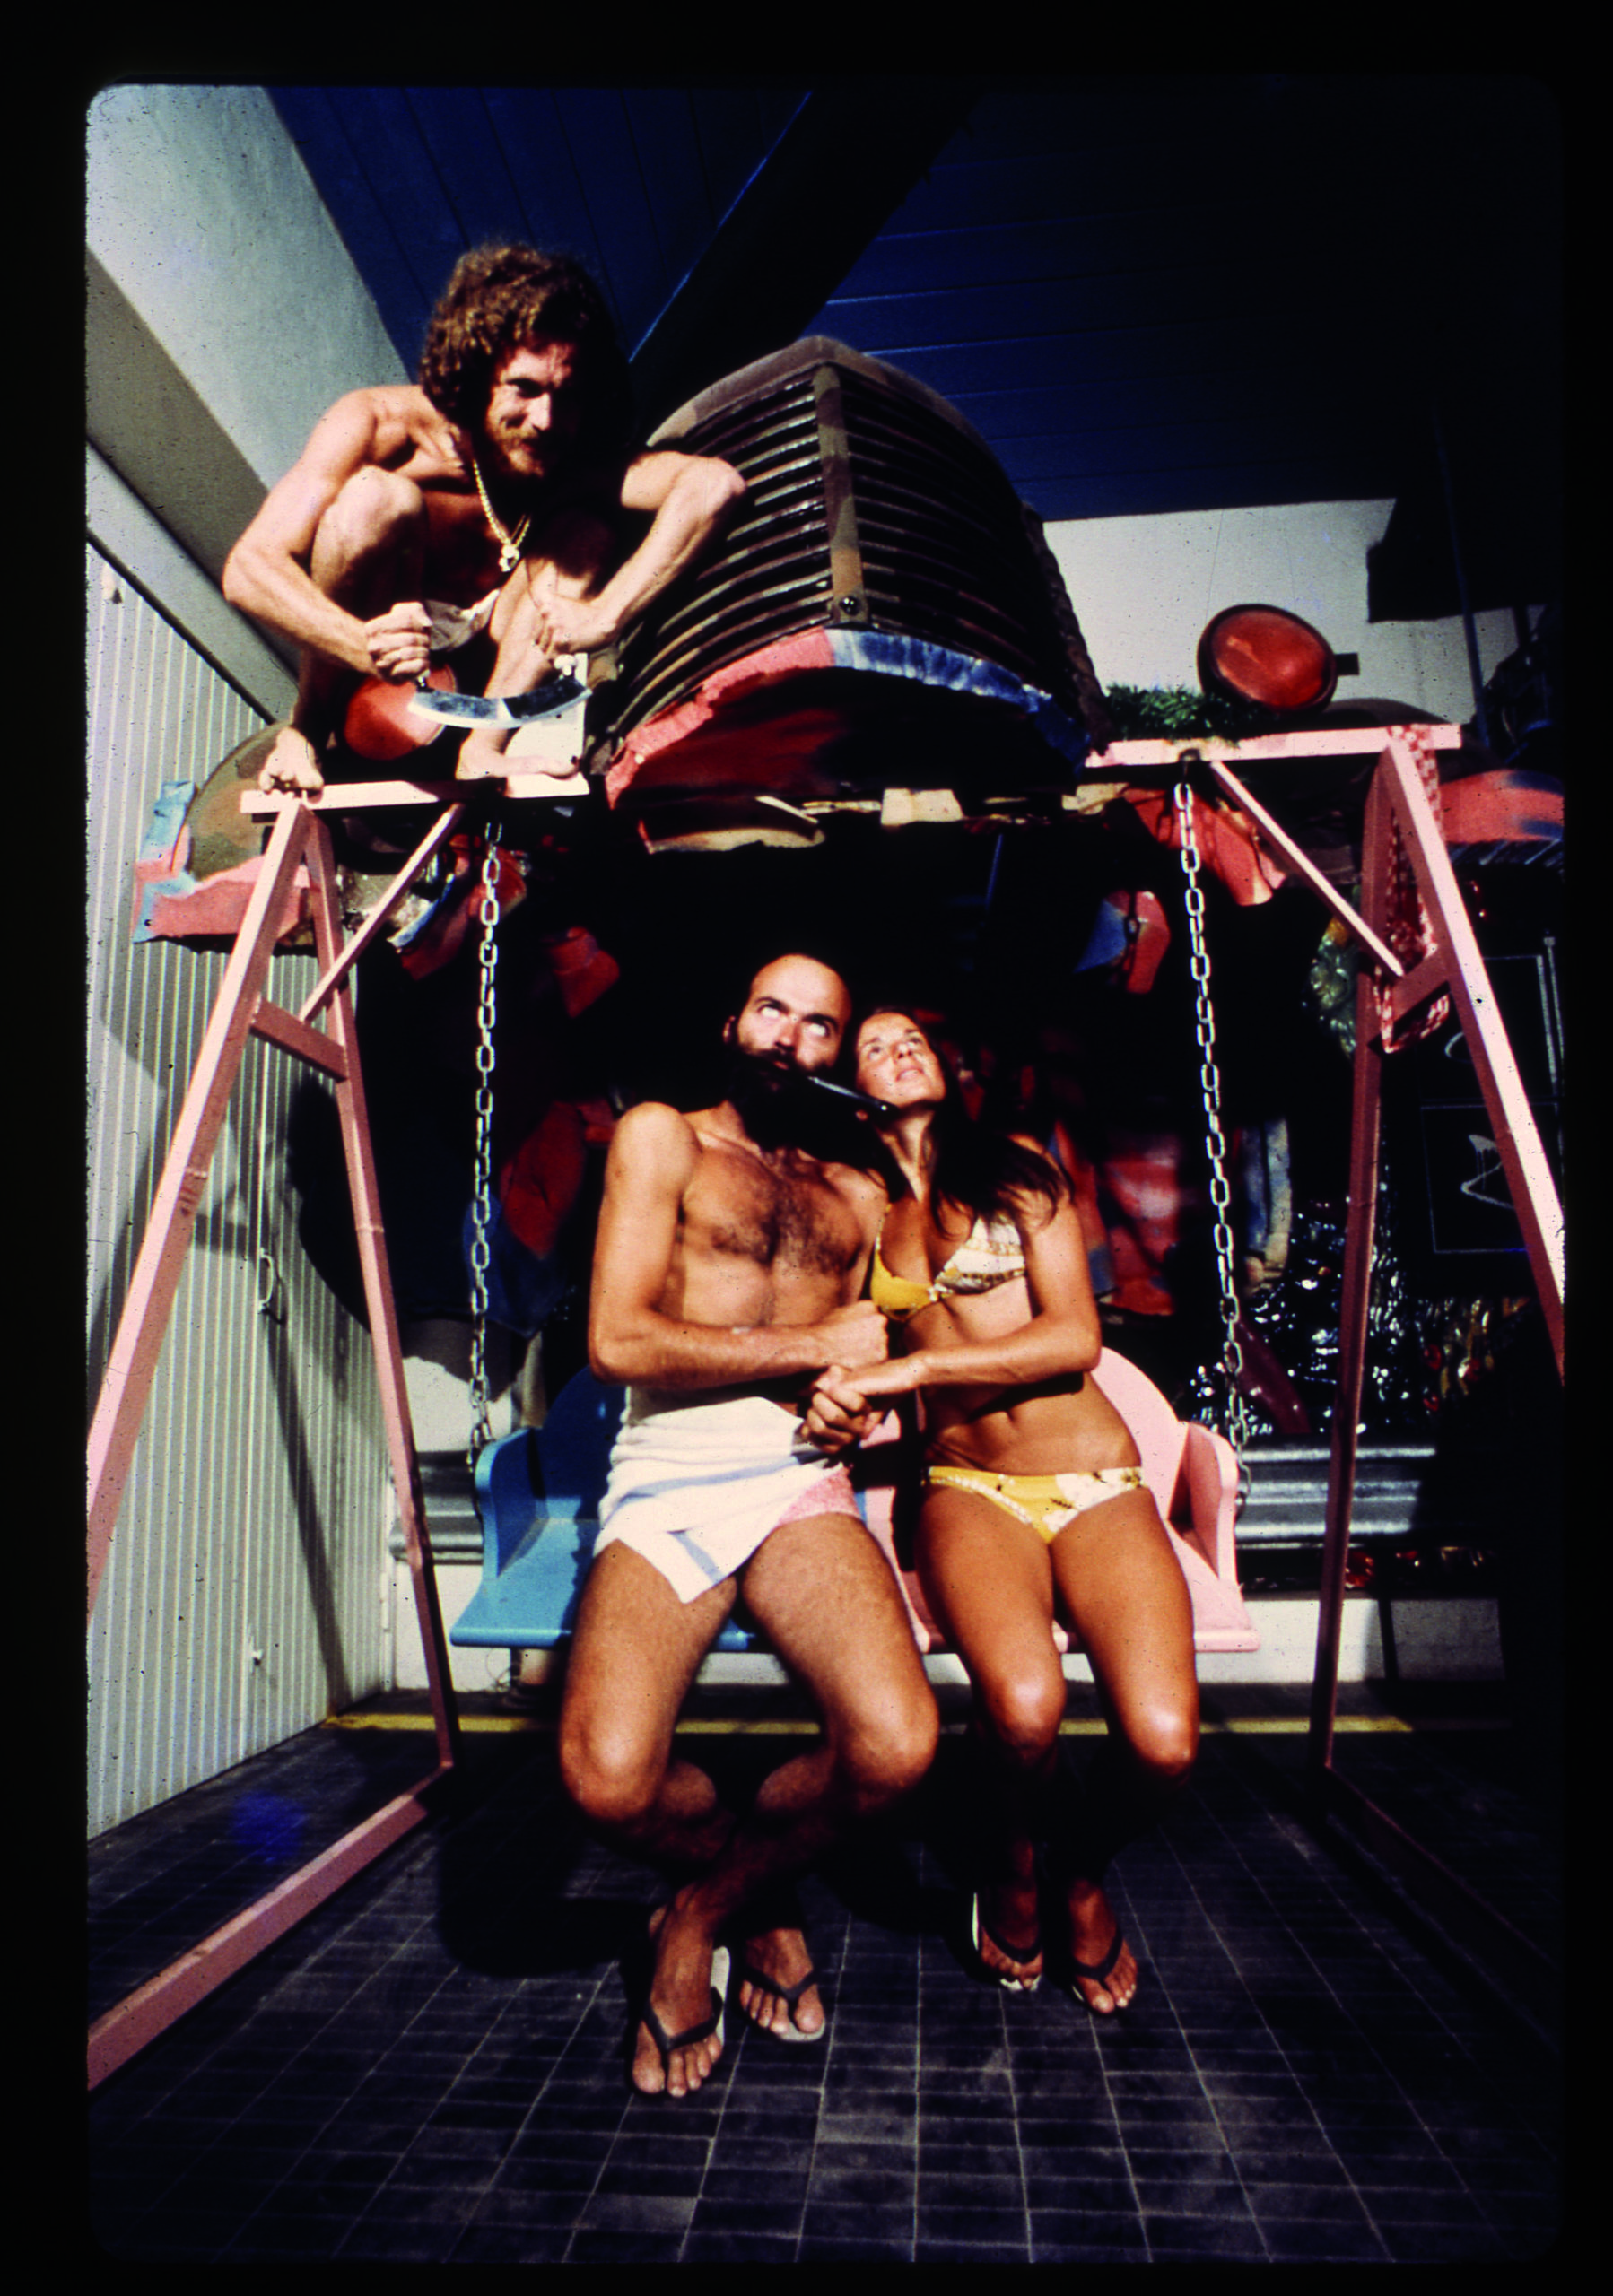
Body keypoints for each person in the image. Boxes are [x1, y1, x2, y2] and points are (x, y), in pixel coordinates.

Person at [558, 955, 939, 2097]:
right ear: (732, 1021)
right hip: (672, 1468)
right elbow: (620, 1343)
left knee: (897, 1744)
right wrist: (815, 1350)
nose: (791, 1036)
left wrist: (865, 1407)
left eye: (821, 1024)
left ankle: (702, 1912)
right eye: (773, 1007)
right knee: (605, 1777)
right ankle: (762, 1885)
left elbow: (905, 1372)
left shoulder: (861, 1193)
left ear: (837, 1053)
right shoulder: (664, 1139)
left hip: (795, 1477)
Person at [805, 1005, 1199, 2013]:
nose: (898, 1049)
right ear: (852, 1087)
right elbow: (839, 1338)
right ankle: (1014, 1863)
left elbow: (1070, 1339)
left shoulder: (1018, 1170)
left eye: (915, 1039)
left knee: (1162, 1744)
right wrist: (838, 1394)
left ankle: (1079, 1868)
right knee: (1022, 1714)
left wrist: (921, 1363)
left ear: (948, 1064)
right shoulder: (854, 1208)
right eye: (872, 1046)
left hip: (1096, 1481)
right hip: (966, 1488)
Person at [222, 243, 744, 795]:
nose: (546, 419)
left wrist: (608, 616)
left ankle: (484, 750)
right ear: (474, 372)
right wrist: (361, 643)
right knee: (376, 500)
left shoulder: (567, 457)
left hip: (493, 666)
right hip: (381, 650)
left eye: (567, 397)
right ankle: (307, 729)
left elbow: (714, 485)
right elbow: (249, 568)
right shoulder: (379, 423)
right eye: (524, 388)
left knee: (587, 530)